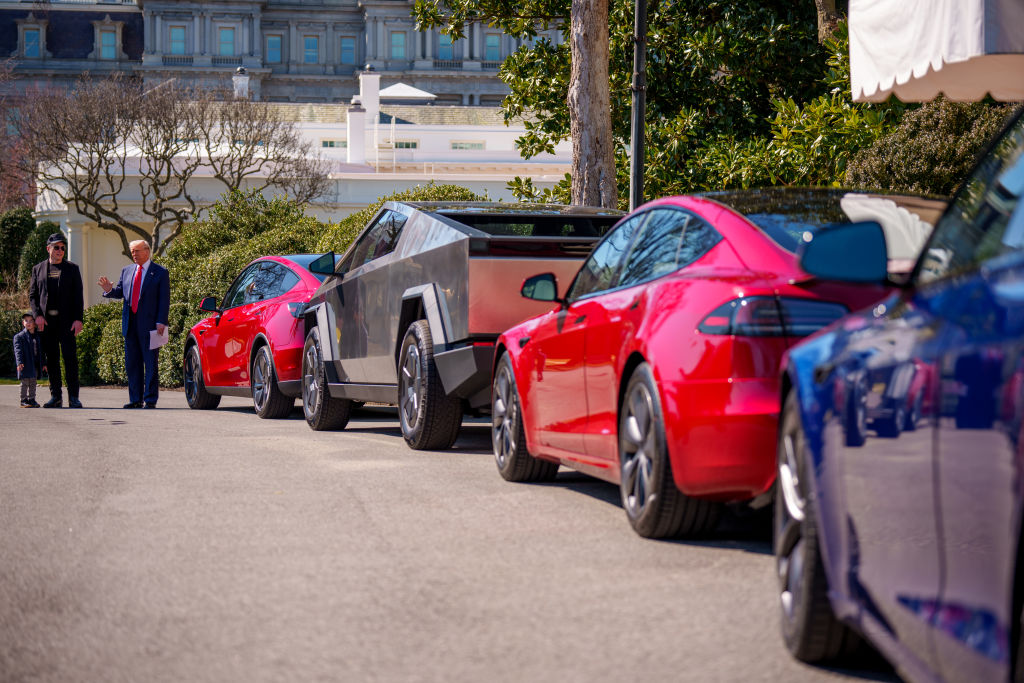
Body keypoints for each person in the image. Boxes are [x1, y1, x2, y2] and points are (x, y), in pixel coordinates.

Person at [98, 239, 170, 409]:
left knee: (150, 363)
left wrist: (161, 321)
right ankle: (135, 399)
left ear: (147, 251)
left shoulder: (159, 272)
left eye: (137, 251)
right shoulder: (127, 271)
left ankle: (150, 399)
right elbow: (121, 292)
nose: (134, 255)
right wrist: (109, 290)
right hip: (130, 324)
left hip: (151, 325)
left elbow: (164, 299)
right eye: (132, 252)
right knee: (132, 363)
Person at [29, 233, 84, 409]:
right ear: (48, 249)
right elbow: (33, 295)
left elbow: (78, 296)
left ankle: (74, 397)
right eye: (56, 247)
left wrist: (78, 319)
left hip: (67, 322)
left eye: (62, 247)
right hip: (47, 323)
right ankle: (56, 397)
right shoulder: (38, 269)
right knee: (51, 360)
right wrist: (37, 315)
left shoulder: (72, 269)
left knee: (70, 360)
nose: (60, 251)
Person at [12, 313, 47, 408]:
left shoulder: (37, 336)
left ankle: (32, 399)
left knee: (33, 382)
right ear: (23, 323)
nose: (28, 323)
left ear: (35, 323)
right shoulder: (19, 337)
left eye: (31, 320)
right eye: (26, 320)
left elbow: (41, 351)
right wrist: (19, 362)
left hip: (35, 364)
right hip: (25, 364)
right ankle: (23, 400)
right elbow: (18, 350)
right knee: (25, 383)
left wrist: (43, 363)